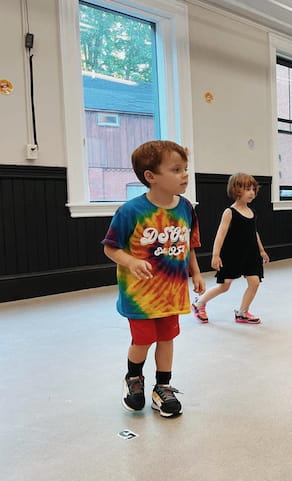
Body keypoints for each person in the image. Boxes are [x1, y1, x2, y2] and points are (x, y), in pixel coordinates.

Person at [102, 140, 205, 418]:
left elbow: (189, 244)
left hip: (172, 292)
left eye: (185, 168)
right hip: (141, 295)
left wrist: (195, 272)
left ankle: (163, 387)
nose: (184, 175)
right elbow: (110, 247)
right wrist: (132, 261)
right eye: (175, 169)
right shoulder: (131, 211)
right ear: (151, 177)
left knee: (168, 338)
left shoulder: (185, 208)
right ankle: (134, 379)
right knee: (143, 339)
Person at [191, 173, 269, 324]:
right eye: (248, 189)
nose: (252, 192)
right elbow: (220, 234)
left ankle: (242, 312)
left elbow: (254, 233)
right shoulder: (229, 212)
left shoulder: (252, 212)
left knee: (255, 282)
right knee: (224, 286)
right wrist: (215, 255)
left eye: (253, 189)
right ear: (236, 190)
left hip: (251, 254)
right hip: (233, 254)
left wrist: (261, 250)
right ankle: (199, 303)